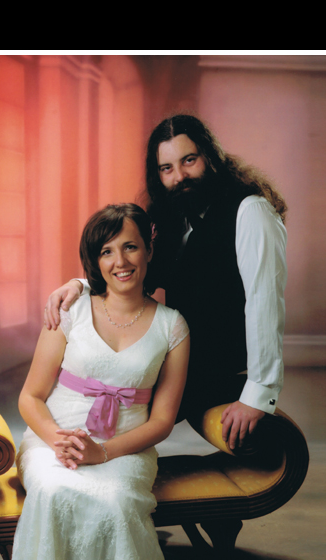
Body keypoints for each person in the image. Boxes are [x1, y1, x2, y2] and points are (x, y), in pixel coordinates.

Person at [0, 203, 190, 560]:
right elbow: (31, 396)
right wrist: (57, 439)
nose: (120, 261)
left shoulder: (172, 326)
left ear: (148, 250)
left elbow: (162, 420)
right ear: (94, 260)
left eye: (130, 247)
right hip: (54, 437)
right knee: (53, 491)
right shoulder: (72, 310)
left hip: (125, 448)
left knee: (117, 502)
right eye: (106, 251)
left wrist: (104, 452)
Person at [44, 114, 287, 452]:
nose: (179, 177)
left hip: (219, 374)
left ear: (211, 158)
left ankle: (91, 456)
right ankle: (65, 447)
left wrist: (258, 395)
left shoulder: (251, 211)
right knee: (88, 387)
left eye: (189, 160)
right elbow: (133, 275)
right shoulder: (172, 218)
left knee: (119, 412)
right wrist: (80, 285)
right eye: (166, 168)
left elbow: (264, 303)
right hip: (171, 364)